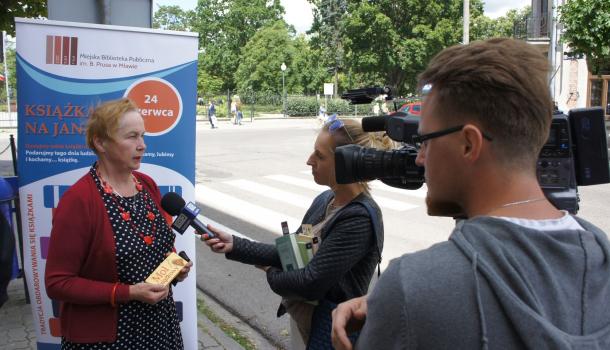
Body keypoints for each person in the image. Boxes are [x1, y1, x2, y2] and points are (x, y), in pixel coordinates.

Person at [332, 38, 610, 349]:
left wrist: (407, 300)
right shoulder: (600, 256)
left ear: (469, 144)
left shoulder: (410, 287)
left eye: (424, 141)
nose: (420, 158)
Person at [201, 116, 393, 348]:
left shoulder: (358, 218)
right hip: (305, 320)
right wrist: (235, 244)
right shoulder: (325, 200)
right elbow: (293, 253)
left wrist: (271, 272)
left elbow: (310, 282)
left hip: (330, 330)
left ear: (347, 163)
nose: (309, 161)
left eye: (320, 156)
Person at [45, 98, 192, 349]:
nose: (142, 145)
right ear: (100, 142)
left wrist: (174, 267)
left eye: (143, 136)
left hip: (158, 325)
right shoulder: (79, 201)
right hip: (109, 338)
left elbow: (156, 245)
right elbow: (58, 283)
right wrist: (129, 292)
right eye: (132, 137)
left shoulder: (147, 185)